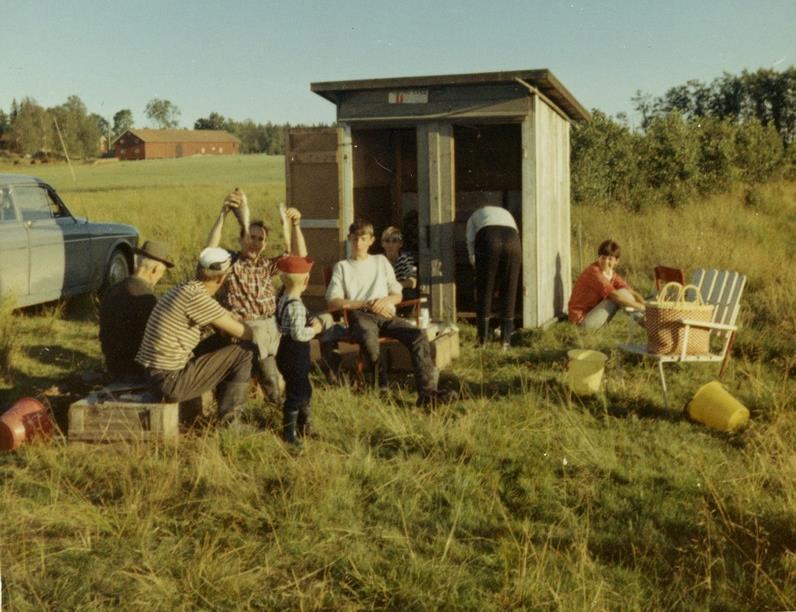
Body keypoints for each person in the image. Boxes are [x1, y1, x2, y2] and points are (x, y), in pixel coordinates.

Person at [324, 219, 454, 408]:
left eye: (363, 239)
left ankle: (427, 394)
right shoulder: (343, 267)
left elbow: (397, 293)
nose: (358, 243)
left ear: (371, 240)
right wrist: (365, 304)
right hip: (361, 315)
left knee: (418, 335)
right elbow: (333, 302)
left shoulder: (380, 261)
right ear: (349, 239)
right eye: (354, 239)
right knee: (368, 336)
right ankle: (382, 387)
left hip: (386, 314)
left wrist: (387, 300)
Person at [204, 188, 307, 405]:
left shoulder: (267, 266)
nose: (256, 242)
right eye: (252, 237)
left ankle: (278, 401)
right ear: (241, 239)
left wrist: (296, 226)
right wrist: (222, 214)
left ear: (265, 244)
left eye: (261, 239)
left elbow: (300, 259)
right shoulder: (231, 263)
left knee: (277, 353)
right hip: (243, 329)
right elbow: (209, 250)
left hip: (271, 329)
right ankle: (276, 402)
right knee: (269, 368)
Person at [135, 247, 256, 423]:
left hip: (155, 374)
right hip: (169, 382)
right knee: (244, 351)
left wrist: (230, 320)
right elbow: (247, 334)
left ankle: (219, 409)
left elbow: (220, 316)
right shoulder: (198, 298)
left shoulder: (187, 289)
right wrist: (242, 322)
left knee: (224, 339)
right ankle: (231, 423)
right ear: (222, 278)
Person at [99, 240, 173, 382]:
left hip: (114, 366)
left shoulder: (111, 290)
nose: (160, 277)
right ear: (155, 270)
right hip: (136, 372)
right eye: (161, 273)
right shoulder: (148, 298)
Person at [275, 256, 323, 445]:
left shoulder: (284, 298)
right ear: (306, 281)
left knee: (303, 388)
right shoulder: (295, 305)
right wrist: (315, 330)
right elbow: (298, 334)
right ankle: (289, 433)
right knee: (296, 392)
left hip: (285, 350)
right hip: (295, 351)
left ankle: (304, 426)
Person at [465, 204, 521, 348]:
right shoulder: (506, 213)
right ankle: (505, 342)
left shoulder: (472, 218)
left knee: (485, 289)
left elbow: (470, 243)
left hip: (489, 237)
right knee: (510, 288)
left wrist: (476, 266)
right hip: (513, 240)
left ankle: (482, 341)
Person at [568, 239, 646, 331]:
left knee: (624, 293)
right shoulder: (594, 272)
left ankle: (649, 322)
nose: (605, 261)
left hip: (594, 316)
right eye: (603, 257)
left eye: (610, 259)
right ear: (598, 257)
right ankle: (651, 327)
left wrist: (647, 306)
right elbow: (616, 296)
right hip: (581, 322)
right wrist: (640, 307)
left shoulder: (611, 274)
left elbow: (631, 292)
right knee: (617, 297)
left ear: (617, 261)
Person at [380, 225, 418, 302]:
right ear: (382, 244)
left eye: (394, 241)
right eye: (387, 241)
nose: (390, 245)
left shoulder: (406, 258)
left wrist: (394, 286)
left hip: (401, 293)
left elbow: (413, 282)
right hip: (383, 295)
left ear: (400, 244)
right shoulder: (379, 260)